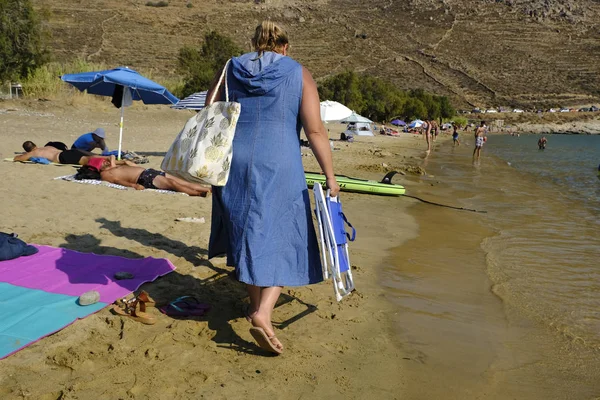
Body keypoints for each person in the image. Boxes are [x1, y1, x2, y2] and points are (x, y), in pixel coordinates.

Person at [205, 21, 340, 355]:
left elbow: (209, 109)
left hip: (234, 161)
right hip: (280, 161)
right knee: (283, 235)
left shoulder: (231, 67)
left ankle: (255, 305)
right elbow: (316, 131)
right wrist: (330, 176)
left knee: (247, 232)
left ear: (254, 42)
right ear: (285, 47)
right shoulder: (298, 72)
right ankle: (263, 313)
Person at [76, 157, 210, 196]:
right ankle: (198, 194)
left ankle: (207, 189)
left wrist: (121, 162)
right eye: (103, 163)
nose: (106, 162)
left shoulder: (112, 167)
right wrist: (133, 185)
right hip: (144, 178)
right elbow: (117, 181)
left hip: (149, 171)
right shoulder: (106, 174)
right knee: (174, 184)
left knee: (181, 181)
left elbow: (123, 162)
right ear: (98, 168)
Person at [15, 141, 95, 165]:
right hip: (69, 151)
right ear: (35, 145)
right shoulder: (46, 147)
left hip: (62, 157)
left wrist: (23, 155)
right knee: (94, 158)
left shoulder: (32, 153)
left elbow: (17, 158)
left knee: (89, 162)